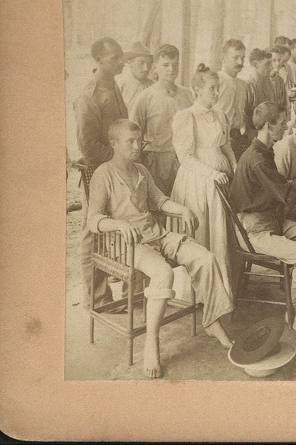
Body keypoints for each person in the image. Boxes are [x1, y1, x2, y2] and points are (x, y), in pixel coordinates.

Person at [88, 119, 233, 378]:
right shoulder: (103, 174)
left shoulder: (141, 169)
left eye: (138, 140)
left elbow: (159, 200)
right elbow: (93, 219)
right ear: (113, 144)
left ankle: (212, 320)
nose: (136, 146)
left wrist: (182, 209)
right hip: (125, 244)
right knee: (163, 273)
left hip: (156, 234)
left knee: (205, 257)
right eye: (130, 142)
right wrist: (119, 224)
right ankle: (152, 342)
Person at [229, 102, 296, 336]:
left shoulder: (265, 151)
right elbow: (288, 196)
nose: (288, 125)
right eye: (283, 121)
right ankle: (295, 312)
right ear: (268, 126)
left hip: (272, 221)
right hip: (253, 231)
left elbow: (281, 188)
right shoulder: (256, 158)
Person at [170, 63, 237, 295]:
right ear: (197, 90)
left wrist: (234, 167)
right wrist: (212, 174)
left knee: (219, 234)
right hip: (197, 181)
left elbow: (226, 146)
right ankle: (198, 292)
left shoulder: (221, 115)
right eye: (212, 88)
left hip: (221, 178)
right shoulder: (186, 116)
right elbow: (185, 157)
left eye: (218, 88)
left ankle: (219, 290)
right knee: (202, 232)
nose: (217, 93)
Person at [74, 37, 129, 308]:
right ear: (98, 61)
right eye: (114, 58)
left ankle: (116, 292)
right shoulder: (90, 95)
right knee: (92, 231)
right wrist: (119, 159)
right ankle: (96, 299)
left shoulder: (113, 85)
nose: (121, 62)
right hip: (97, 171)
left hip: (115, 167)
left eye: (120, 56)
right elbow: (88, 145)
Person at [130, 44, 194, 194]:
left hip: (184, 161)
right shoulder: (145, 97)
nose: (171, 70)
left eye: (175, 65)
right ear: (155, 67)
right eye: (165, 65)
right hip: (154, 163)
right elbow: (134, 135)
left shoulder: (187, 95)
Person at [216, 39, 250, 158]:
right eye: (235, 57)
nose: (240, 62)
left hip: (237, 139)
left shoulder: (242, 84)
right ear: (223, 58)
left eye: (242, 57)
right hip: (217, 142)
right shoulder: (216, 81)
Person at [119, 42, 154, 108]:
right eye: (142, 63)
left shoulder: (153, 86)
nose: (146, 68)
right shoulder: (120, 85)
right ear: (130, 63)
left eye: (149, 63)